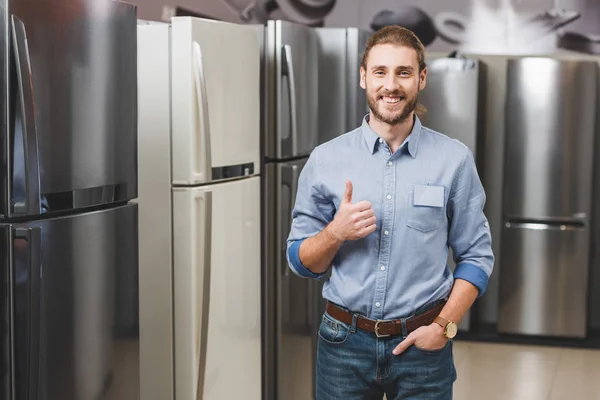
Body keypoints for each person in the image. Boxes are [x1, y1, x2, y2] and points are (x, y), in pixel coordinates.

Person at [286, 25, 494, 399]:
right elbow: (301, 263)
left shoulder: (454, 160)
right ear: (364, 77)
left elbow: (476, 257)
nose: (391, 85)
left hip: (423, 346)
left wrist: (443, 327)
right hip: (342, 344)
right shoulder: (326, 159)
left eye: (404, 72)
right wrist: (335, 233)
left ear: (421, 78)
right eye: (380, 71)